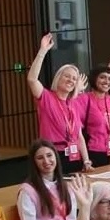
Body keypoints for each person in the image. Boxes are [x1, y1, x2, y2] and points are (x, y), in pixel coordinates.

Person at [25, 34, 90, 173]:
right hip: (53, 155)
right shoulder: (47, 97)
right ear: (58, 78)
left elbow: (79, 136)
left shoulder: (73, 103)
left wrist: (86, 161)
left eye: (74, 79)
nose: (70, 80)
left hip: (75, 156)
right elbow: (32, 79)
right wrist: (42, 51)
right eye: (67, 76)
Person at [16, 141, 81, 220]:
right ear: (34, 163)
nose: (46, 161)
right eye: (40, 158)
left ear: (56, 156)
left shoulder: (66, 186)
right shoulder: (27, 191)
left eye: (49, 155)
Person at [78, 63, 110, 168]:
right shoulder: (84, 99)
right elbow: (75, 129)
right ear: (94, 79)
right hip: (92, 153)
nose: (107, 81)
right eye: (102, 77)